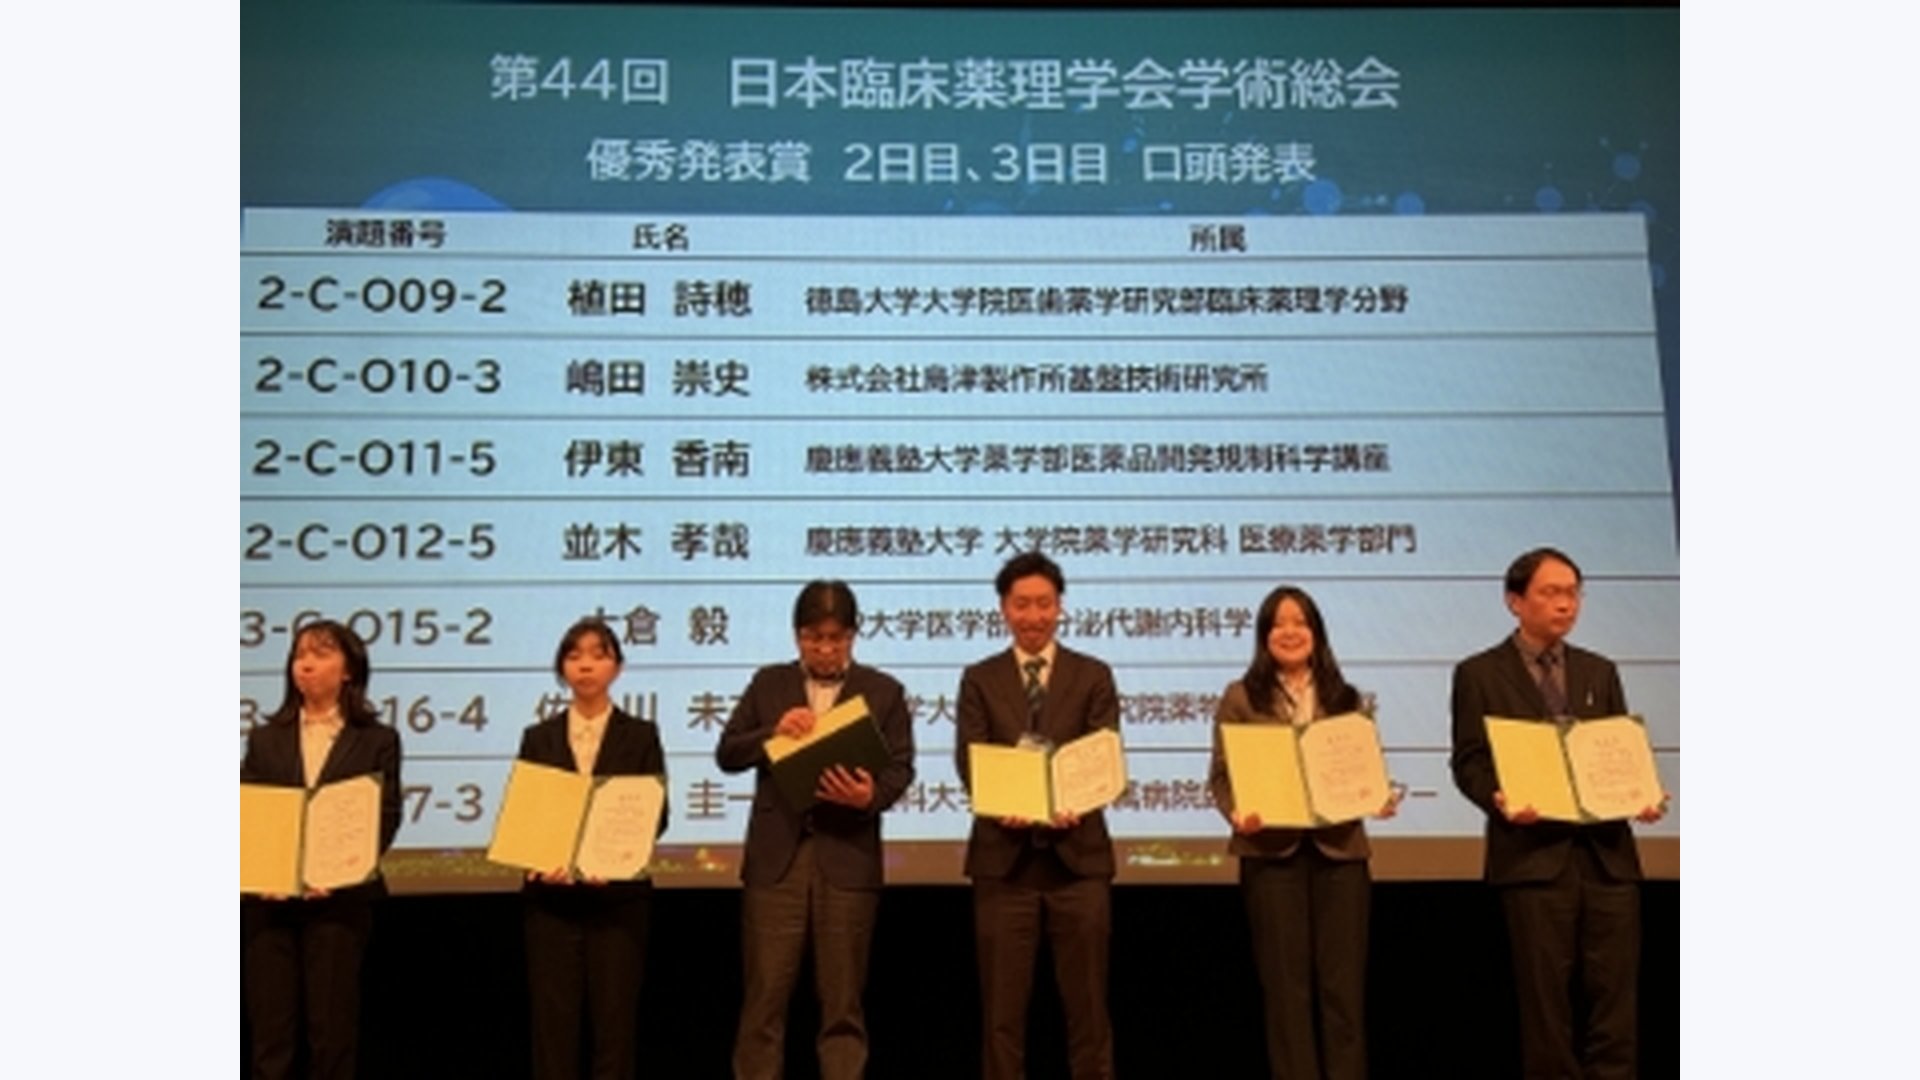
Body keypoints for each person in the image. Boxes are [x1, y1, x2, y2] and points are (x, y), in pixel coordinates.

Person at [1449, 547, 1667, 1080]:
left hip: (1608, 858)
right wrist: (1498, 798)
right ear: (1514, 601)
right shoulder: (1479, 673)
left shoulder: (1599, 670)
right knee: (1546, 1006)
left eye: (1572, 593)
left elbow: (1620, 749)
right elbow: (1470, 760)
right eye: (1550, 592)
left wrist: (1642, 793)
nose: (1565, 604)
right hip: (1532, 857)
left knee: (1615, 999)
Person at [716, 580, 916, 1080]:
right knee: (764, 999)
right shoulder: (769, 684)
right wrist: (773, 733)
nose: (825, 649)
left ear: (853, 636)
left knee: (843, 1005)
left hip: (847, 858)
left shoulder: (883, 691)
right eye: (813, 638)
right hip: (776, 861)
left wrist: (868, 796)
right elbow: (728, 753)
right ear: (797, 636)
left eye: (835, 638)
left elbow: (900, 769)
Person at [1207, 585, 1398, 1080]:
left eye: (1300, 622)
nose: (1289, 632)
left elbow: (1364, 766)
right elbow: (1221, 776)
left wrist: (1377, 796)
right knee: (1285, 990)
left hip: (1340, 853)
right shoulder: (1240, 697)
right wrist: (1237, 813)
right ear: (1263, 635)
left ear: (1316, 633)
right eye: (1278, 624)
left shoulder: (1345, 697)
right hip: (1271, 854)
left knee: (1343, 990)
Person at [956, 552, 1118, 1080]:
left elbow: (1103, 754)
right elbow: (970, 758)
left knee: (1089, 1011)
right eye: (1022, 604)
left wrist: (1079, 799)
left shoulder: (1093, 675)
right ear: (1004, 608)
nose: (1033, 616)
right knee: (1001, 1017)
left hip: (1079, 861)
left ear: (1060, 607)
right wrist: (1003, 802)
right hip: (1005, 863)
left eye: (1044, 604)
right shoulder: (979, 679)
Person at [241, 620, 402, 1080]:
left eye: (320, 654)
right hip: (269, 906)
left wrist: (338, 872)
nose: (306, 664)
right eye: (299, 655)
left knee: (331, 1035)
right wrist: (265, 872)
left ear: (348, 670)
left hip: (338, 905)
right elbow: (251, 812)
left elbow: (385, 814)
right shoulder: (265, 738)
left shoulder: (377, 739)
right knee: (272, 1036)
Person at [518, 618, 669, 1080]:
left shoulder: (641, 735)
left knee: (614, 1030)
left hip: (618, 904)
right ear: (562, 668)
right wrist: (539, 857)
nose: (585, 665)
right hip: (552, 903)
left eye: (598, 655)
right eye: (574, 655)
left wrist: (616, 859)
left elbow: (656, 813)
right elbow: (526, 814)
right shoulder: (538, 737)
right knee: (553, 1029)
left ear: (617, 668)